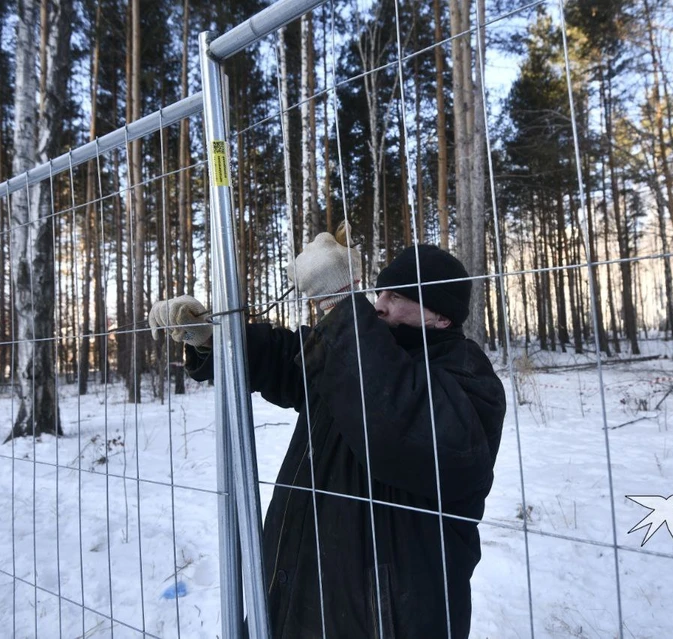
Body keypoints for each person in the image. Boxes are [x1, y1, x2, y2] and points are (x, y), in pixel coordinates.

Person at [149, 235, 506, 639]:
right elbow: (288, 357)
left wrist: (339, 301)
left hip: (379, 620)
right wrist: (214, 338)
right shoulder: (364, 352)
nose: (381, 304)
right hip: (299, 600)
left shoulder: (468, 380)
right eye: (381, 291)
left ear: (442, 317)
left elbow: (398, 426)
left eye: (400, 296)